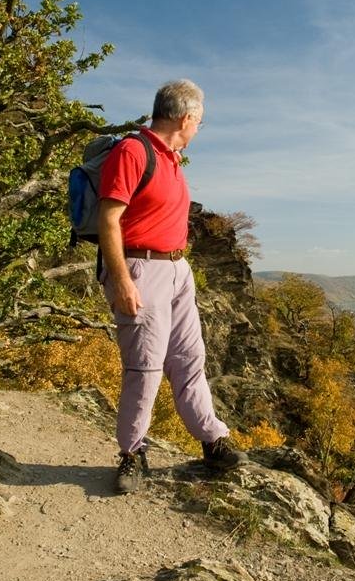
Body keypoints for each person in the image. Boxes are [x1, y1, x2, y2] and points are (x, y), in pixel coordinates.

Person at [97, 78, 246, 494]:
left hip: (177, 270)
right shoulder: (133, 151)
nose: (199, 129)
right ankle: (131, 454)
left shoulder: (172, 160)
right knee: (145, 366)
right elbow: (109, 219)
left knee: (188, 358)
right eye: (200, 122)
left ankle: (212, 440)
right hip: (142, 269)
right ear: (186, 117)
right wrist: (123, 280)